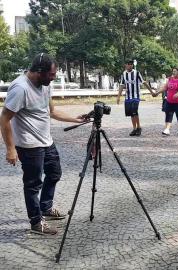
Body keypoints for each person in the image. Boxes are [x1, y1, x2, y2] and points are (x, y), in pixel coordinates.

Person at [0, 53, 86, 235]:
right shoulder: (20, 88)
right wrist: (10, 149)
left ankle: (45, 207)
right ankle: (36, 222)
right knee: (33, 184)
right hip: (29, 145)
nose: (54, 78)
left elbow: (51, 112)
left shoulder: (45, 85)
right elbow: (4, 119)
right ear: (39, 72)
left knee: (54, 173)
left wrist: (75, 119)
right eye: (52, 74)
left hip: (46, 141)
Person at [116, 59, 155, 137]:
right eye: (128, 64)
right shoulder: (124, 74)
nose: (130, 65)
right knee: (131, 113)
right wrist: (118, 96)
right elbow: (121, 85)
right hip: (128, 97)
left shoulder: (137, 73)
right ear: (126, 65)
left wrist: (151, 92)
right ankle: (134, 128)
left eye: (131, 64)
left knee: (134, 111)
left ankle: (139, 127)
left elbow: (143, 82)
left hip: (136, 96)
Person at [153, 68, 178, 135]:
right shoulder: (170, 79)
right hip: (169, 101)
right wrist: (157, 92)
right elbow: (165, 88)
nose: (173, 72)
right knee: (168, 114)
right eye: (173, 71)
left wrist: (177, 94)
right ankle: (167, 129)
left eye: (175, 71)